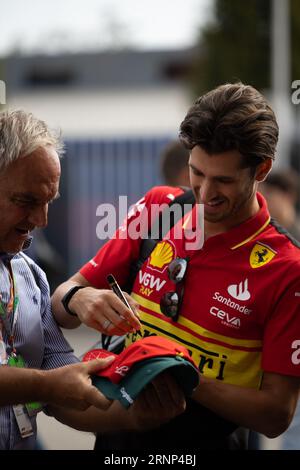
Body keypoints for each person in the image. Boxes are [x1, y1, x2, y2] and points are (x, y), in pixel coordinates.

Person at [52, 83, 300, 450]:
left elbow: (277, 414)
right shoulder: (158, 208)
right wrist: (80, 297)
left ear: (262, 169)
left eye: (224, 180)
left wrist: (180, 376)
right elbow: (61, 305)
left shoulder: (287, 268)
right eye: (197, 172)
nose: (205, 192)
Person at [0, 110, 185, 450]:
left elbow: (67, 391)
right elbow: (53, 385)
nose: (41, 220)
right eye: (26, 201)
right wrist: (46, 386)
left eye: (47, 202)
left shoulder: (30, 275)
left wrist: (134, 416)